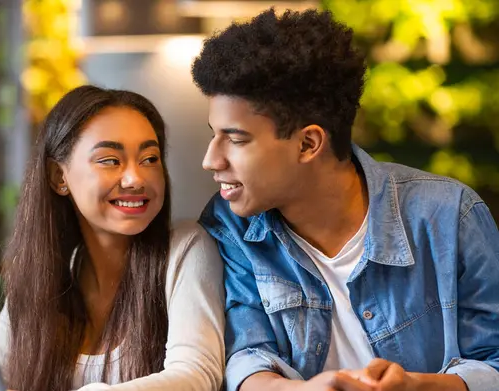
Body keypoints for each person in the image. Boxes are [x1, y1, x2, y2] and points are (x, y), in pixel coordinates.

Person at [191, 8, 499, 391]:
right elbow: (246, 355)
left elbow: (494, 360)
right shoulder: (230, 225)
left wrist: (419, 386)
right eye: (213, 134)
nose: (211, 160)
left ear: (308, 143)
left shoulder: (450, 214)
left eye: (235, 140)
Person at [0, 85, 225, 391]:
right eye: (110, 160)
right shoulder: (42, 275)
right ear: (59, 177)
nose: (135, 178)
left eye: (150, 158)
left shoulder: (185, 248)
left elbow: (197, 374)